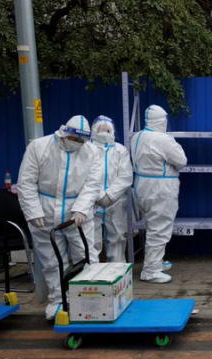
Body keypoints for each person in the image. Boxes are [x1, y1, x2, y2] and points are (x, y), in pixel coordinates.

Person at [16, 115, 103, 320]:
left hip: (77, 214)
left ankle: (90, 300)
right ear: (64, 134)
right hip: (45, 211)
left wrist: (81, 209)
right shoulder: (39, 147)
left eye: (82, 141)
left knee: (87, 256)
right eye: (75, 140)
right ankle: (58, 301)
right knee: (52, 260)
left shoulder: (91, 152)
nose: (78, 144)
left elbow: (92, 184)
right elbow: (26, 182)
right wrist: (33, 211)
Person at [131, 105, 187, 283]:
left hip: (141, 185)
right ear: (162, 120)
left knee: (152, 225)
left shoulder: (136, 136)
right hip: (160, 187)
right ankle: (151, 270)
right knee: (159, 228)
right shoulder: (163, 140)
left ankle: (154, 262)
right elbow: (181, 161)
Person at [89, 115, 133, 262]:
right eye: (101, 129)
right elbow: (82, 174)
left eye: (108, 130)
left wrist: (109, 195)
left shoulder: (120, 150)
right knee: (90, 241)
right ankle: (91, 275)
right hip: (91, 202)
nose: (104, 132)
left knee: (117, 238)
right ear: (93, 130)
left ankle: (117, 272)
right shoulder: (86, 149)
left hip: (115, 202)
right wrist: (98, 195)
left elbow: (125, 176)